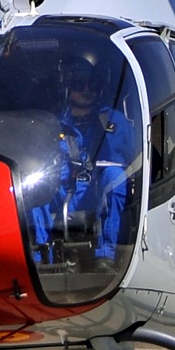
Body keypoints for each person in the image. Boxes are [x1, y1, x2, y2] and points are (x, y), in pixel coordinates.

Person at [32, 58, 137, 267]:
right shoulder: (52, 125)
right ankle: (41, 259)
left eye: (93, 85)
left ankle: (106, 254)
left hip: (94, 192)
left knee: (115, 177)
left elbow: (132, 157)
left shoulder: (114, 122)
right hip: (61, 192)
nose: (87, 90)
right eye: (80, 84)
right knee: (32, 189)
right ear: (68, 87)